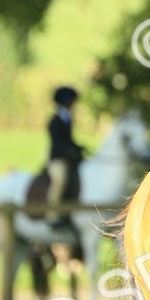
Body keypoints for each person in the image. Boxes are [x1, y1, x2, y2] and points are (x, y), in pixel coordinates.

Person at [46, 86, 84, 222]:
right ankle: (52, 216)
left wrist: (78, 148)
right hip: (58, 159)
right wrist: (69, 150)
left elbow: (69, 141)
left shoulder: (67, 118)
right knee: (60, 179)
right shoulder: (55, 120)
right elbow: (57, 143)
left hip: (69, 159)